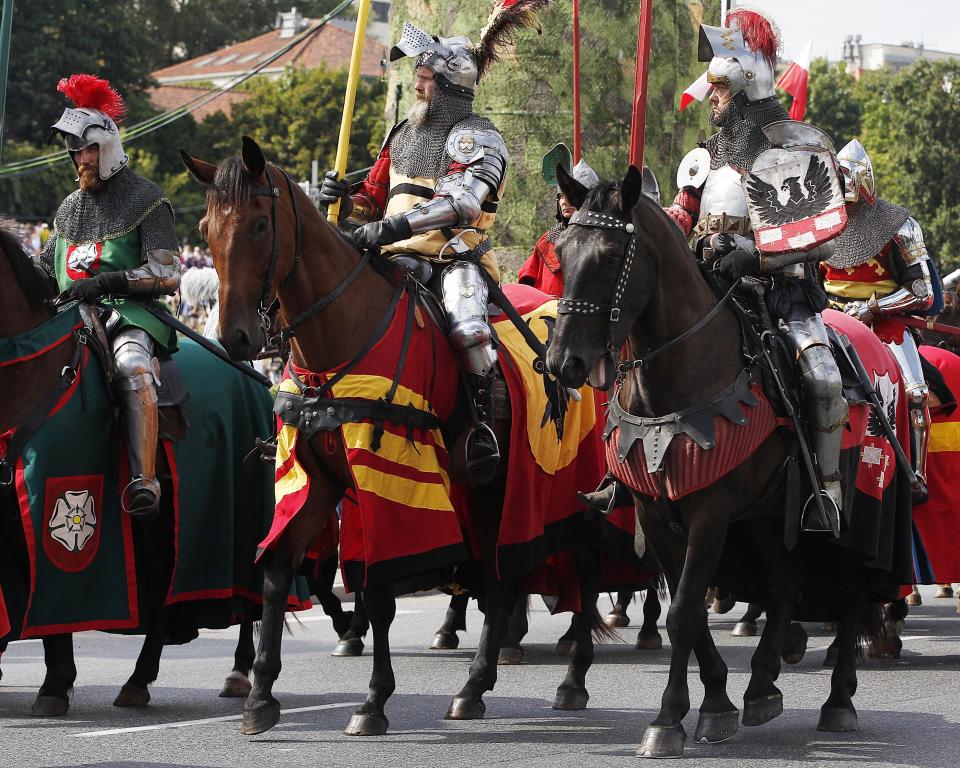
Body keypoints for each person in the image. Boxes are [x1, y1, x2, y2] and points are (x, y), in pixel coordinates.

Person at [318, 10, 545, 484]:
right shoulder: (402, 135)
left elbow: (460, 204)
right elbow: (371, 202)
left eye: (425, 79)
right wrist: (340, 203)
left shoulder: (476, 137)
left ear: (449, 86)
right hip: (390, 255)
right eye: (418, 77)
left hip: (452, 257)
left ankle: (481, 428)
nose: (418, 87)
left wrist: (387, 228)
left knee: (467, 331)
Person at [663, 9, 848, 530]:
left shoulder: (798, 147)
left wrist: (758, 257)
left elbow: (821, 243)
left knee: (823, 377)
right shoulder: (704, 156)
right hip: (709, 291)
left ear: (746, 82)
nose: (710, 96)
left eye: (717, 87)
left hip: (781, 294)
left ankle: (825, 492)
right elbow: (683, 215)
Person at [40, 74, 181, 517]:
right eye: (75, 151)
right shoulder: (68, 209)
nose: (79, 159)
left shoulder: (146, 199)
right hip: (70, 316)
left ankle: (145, 481)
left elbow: (167, 273)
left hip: (128, 315)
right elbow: (44, 269)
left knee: (132, 365)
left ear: (108, 148)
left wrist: (107, 283)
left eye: (87, 149)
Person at [822, 139, 941, 497]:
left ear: (862, 179)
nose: (840, 186)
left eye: (845, 178)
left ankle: (916, 475)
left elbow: (923, 291)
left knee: (916, 394)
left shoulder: (899, 225)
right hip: (827, 318)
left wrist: (872, 309)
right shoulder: (822, 223)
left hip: (883, 322)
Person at [519, 143, 599, 297]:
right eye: (561, 196)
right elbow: (526, 284)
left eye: (571, 196)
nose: (565, 201)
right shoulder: (547, 240)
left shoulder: (602, 240)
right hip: (545, 316)